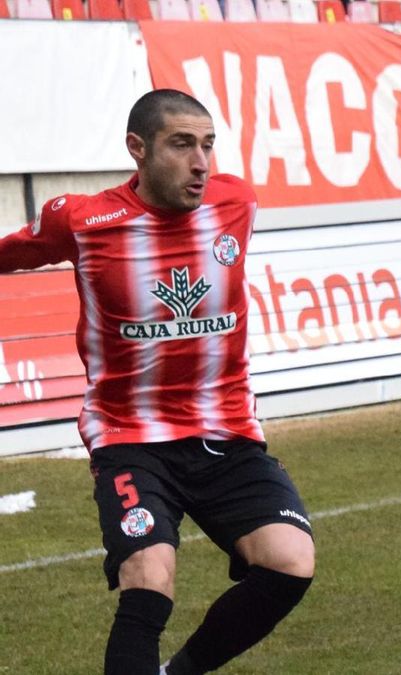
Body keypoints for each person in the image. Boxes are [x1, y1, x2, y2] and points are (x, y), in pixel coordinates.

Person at [0, 89, 314, 674]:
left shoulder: (236, 203)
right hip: (130, 438)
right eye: (182, 144)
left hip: (226, 430)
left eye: (208, 145)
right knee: (149, 574)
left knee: (290, 561)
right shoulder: (86, 221)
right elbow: (18, 250)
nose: (201, 162)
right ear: (138, 150)